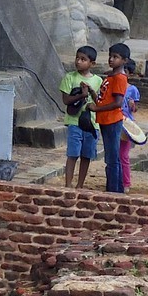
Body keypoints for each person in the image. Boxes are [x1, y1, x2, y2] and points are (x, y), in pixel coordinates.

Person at [89, 43, 131, 192]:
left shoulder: (119, 78)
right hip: (105, 119)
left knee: (112, 158)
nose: (111, 59)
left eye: (116, 57)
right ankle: (114, 188)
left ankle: (114, 189)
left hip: (112, 120)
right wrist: (91, 92)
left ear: (124, 60)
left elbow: (117, 103)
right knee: (111, 157)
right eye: (110, 56)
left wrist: (97, 108)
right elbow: (102, 99)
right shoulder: (110, 77)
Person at [60, 46, 103, 190]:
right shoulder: (69, 77)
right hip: (74, 122)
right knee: (72, 153)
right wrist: (81, 95)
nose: (78, 62)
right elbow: (66, 100)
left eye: (83, 59)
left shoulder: (98, 81)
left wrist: (91, 91)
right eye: (77, 58)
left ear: (92, 64)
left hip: (91, 123)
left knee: (87, 155)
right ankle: (68, 184)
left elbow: (100, 102)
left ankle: (80, 184)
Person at [117, 80, 141, 194]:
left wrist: (133, 106)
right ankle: (116, 180)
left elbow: (135, 109)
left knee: (123, 155)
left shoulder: (133, 90)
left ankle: (126, 183)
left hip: (127, 124)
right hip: (115, 121)